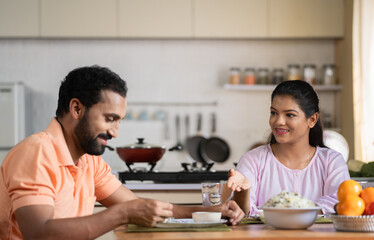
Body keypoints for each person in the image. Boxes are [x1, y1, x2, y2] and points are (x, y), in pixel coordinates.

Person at [0, 66, 244, 240]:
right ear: (76, 108)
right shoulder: (37, 152)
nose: (115, 132)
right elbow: (39, 234)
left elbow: (138, 206)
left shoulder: (89, 161)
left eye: (119, 121)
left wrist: (207, 212)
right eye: (109, 119)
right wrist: (122, 214)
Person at [227, 80, 350, 216]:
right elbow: (241, 212)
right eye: (274, 113)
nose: (278, 121)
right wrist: (243, 192)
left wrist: (289, 209)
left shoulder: (332, 161)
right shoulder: (252, 159)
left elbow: (340, 203)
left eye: (290, 115)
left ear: (312, 120)